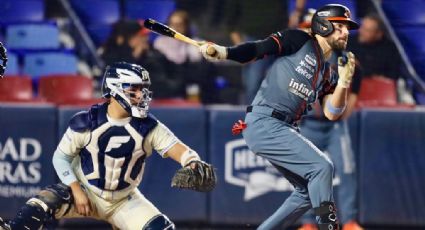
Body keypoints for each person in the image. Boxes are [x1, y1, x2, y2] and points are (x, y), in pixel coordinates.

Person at [0, 62, 215, 230]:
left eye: (143, 90)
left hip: (124, 200)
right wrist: (76, 189)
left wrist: (193, 162)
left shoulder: (149, 127)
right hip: (85, 191)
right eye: (134, 90)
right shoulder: (87, 121)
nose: (141, 95)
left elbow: (181, 150)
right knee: (41, 204)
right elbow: (60, 157)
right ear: (115, 90)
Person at [200, 3, 358, 230]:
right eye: (340, 27)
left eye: (347, 29)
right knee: (323, 167)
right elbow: (258, 49)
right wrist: (224, 52)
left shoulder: (327, 71)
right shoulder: (299, 40)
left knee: (306, 193)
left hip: (284, 127)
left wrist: (343, 82)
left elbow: (332, 113)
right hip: (265, 121)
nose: (346, 32)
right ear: (323, 25)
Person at [295, 10, 364, 230]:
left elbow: (357, 80)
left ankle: (350, 221)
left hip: (334, 126)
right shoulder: (295, 57)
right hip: (308, 124)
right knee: (306, 175)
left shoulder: (341, 55)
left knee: (346, 171)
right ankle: (309, 223)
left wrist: (345, 112)